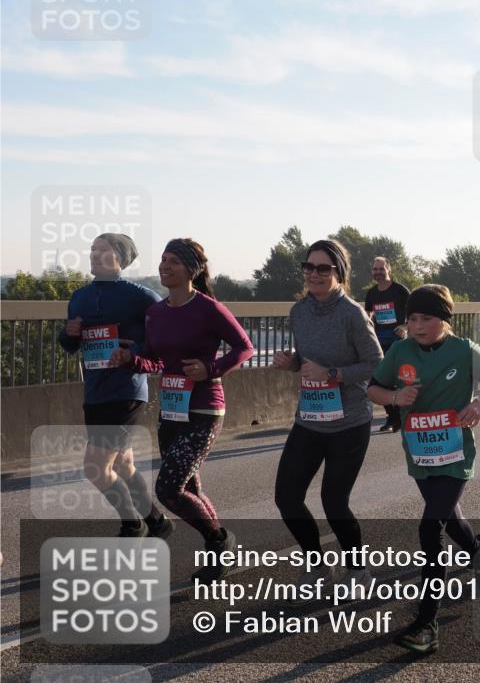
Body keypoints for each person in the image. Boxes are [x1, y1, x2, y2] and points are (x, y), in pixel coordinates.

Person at [368, 285, 480, 654]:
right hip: (421, 454)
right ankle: (479, 553)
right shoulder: (400, 351)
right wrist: (395, 397)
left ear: (444, 319)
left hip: (456, 455)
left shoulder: (464, 349)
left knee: (431, 528)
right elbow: (374, 388)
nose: (417, 325)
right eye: (412, 318)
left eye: (426, 318)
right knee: (450, 519)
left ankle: (426, 625)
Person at [110, 238, 254, 581]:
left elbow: (244, 348)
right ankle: (218, 550)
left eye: (173, 261)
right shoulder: (155, 313)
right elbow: (155, 359)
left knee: (168, 489)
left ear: (192, 269)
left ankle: (220, 540)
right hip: (172, 411)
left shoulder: (208, 308)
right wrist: (130, 360)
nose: (164, 266)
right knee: (188, 488)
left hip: (205, 410)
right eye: (162, 260)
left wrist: (211, 369)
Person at [273, 240, 383, 603]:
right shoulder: (298, 311)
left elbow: (374, 363)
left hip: (349, 421)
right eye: (309, 267)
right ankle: (317, 565)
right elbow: (307, 361)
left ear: (339, 274)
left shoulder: (352, 313)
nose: (315, 275)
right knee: (287, 497)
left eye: (324, 269)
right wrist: (293, 364)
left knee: (334, 501)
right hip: (310, 417)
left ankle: (357, 570)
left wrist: (333, 373)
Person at [58, 234, 170, 539]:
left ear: (120, 257)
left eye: (103, 250)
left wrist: (132, 353)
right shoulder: (79, 297)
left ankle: (132, 524)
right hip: (95, 391)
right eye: (93, 249)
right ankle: (157, 521)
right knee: (122, 463)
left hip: (127, 390)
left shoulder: (142, 297)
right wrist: (69, 333)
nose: (94, 254)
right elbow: (69, 344)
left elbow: (161, 342)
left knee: (95, 467)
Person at [364, 257, 411, 432]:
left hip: (397, 340)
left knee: (394, 380)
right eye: (375, 269)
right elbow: (367, 315)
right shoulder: (372, 293)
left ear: (389, 269)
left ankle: (397, 417)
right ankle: (393, 417)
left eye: (381, 269)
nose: (377, 272)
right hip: (378, 340)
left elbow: (415, 310)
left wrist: (406, 327)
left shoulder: (400, 291)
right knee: (379, 380)